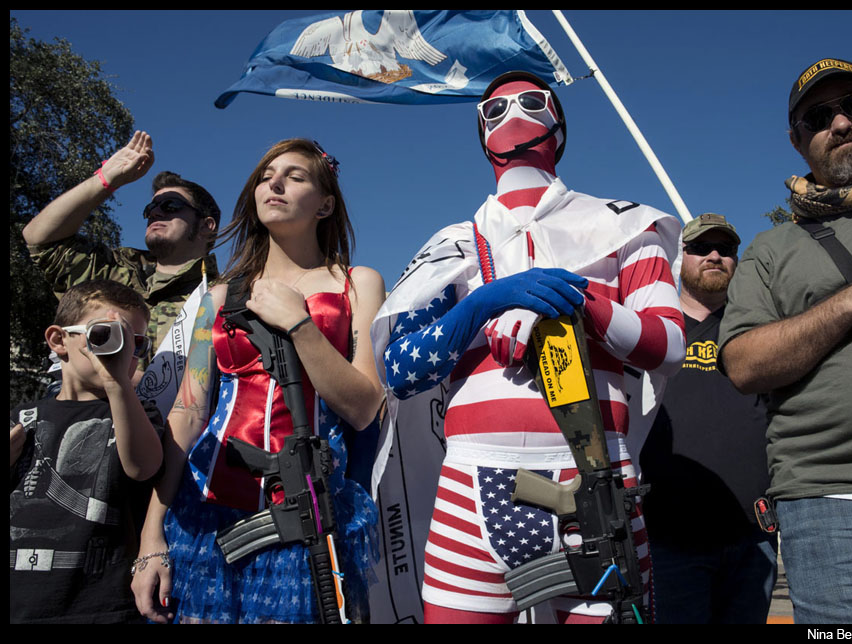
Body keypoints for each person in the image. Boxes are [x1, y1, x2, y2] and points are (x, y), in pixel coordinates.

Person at [371, 71, 685, 623]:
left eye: (533, 102)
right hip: (472, 484)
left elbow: (669, 343)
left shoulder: (629, 226)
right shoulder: (453, 244)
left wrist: (580, 301)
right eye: (493, 109)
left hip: (596, 479)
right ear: (479, 133)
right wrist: (479, 305)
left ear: (558, 124)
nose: (513, 112)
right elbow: (398, 369)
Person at [130, 138, 386, 624]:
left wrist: (300, 324)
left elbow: (365, 406)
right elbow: (187, 417)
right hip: (204, 514)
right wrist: (151, 538)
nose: (275, 182)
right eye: (268, 174)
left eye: (295, 175)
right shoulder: (217, 296)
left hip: (307, 515)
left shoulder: (358, 283)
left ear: (325, 203)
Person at [718, 58, 852, 624]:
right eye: (819, 116)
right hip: (839, 508)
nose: (840, 123)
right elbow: (742, 364)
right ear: (797, 140)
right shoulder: (771, 249)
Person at [639, 213, 776, 624]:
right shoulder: (650, 331)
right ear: (677, 258)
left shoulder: (759, 332)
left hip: (753, 535)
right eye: (699, 248)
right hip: (668, 535)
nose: (714, 256)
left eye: (726, 249)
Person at [10, 279, 164, 623]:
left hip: (100, 606)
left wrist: (117, 383)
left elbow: (143, 467)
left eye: (136, 343)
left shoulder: (139, 414)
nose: (123, 350)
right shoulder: (20, 419)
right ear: (59, 340)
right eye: (105, 335)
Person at [22, 131, 222, 379]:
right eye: (151, 208)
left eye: (170, 206)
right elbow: (40, 239)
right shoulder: (108, 272)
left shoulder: (225, 298)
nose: (155, 213)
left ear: (206, 226)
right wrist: (106, 179)